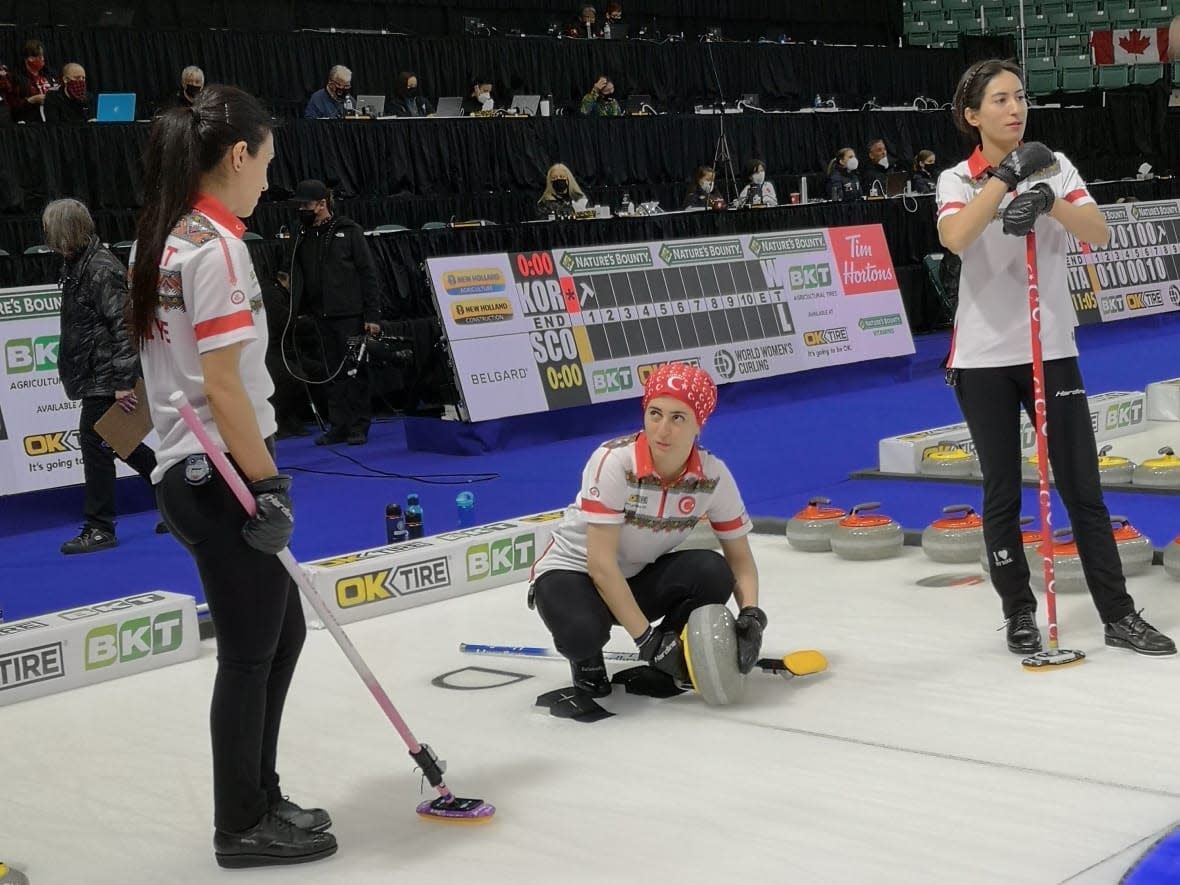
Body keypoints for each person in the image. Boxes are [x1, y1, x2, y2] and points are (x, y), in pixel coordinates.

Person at [127, 83, 338, 867]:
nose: (269, 181)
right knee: (252, 650)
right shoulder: (214, 248)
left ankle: (258, 792)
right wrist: (269, 484)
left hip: (192, 470)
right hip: (219, 473)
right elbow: (222, 385)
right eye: (267, 162)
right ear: (238, 155)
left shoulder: (167, 238)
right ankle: (240, 820)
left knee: (277, 635)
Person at [936, 58, 1175, 657]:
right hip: (985, 356)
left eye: (1019, 96)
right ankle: (1018, 612)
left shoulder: (1056, 165)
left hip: (1052, 348)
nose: (1015, 108)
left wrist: (1045, 198)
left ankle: (1117, 614)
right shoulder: (955, 179)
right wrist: (1002, 180)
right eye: (999, 100)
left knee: (1081, 484)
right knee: (1002, 491)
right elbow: (956, 238)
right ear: (972, 115)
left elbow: (1097, 231)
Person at [529, 362, 765, 698]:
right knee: (582, 631)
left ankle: (669, 653)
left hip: (632, 575)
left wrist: (752, 616)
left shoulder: (713, 476)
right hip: (574, 572)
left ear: (700, 423)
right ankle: (588, 660)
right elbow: (600, 565)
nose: (662, 430)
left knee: (713, 572)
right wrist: (646, 640)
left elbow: (740, 559)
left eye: (678, 418)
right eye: (655, 413)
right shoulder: (614, 462)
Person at [44, 199, 159, 554]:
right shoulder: (79, 264)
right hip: (98, 372)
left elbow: (123, 327)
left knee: (97, 444)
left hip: (105, 374)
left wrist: (122, 381)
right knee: (122, 443)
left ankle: (100, 527)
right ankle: (180, 500)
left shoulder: (99, 268)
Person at [283, 179, 381, 446]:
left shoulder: (349, 231)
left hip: (349, 313)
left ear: (322, 204)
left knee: (354, 370)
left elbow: (368, 273)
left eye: (306, 204)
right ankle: (339, 424)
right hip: (319, 314)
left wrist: (372, 316)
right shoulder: (301, 234)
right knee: (331, 373)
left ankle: (359, 425)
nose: (302, 209)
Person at [4, 39, 55, 124]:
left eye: (42, 56)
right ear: (27, 58)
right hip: (29, 122)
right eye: (37, 57)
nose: (42, 59)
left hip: (51, 120)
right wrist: (31, 100)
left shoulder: (49, 74)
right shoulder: (15, 77)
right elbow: (11, 106)